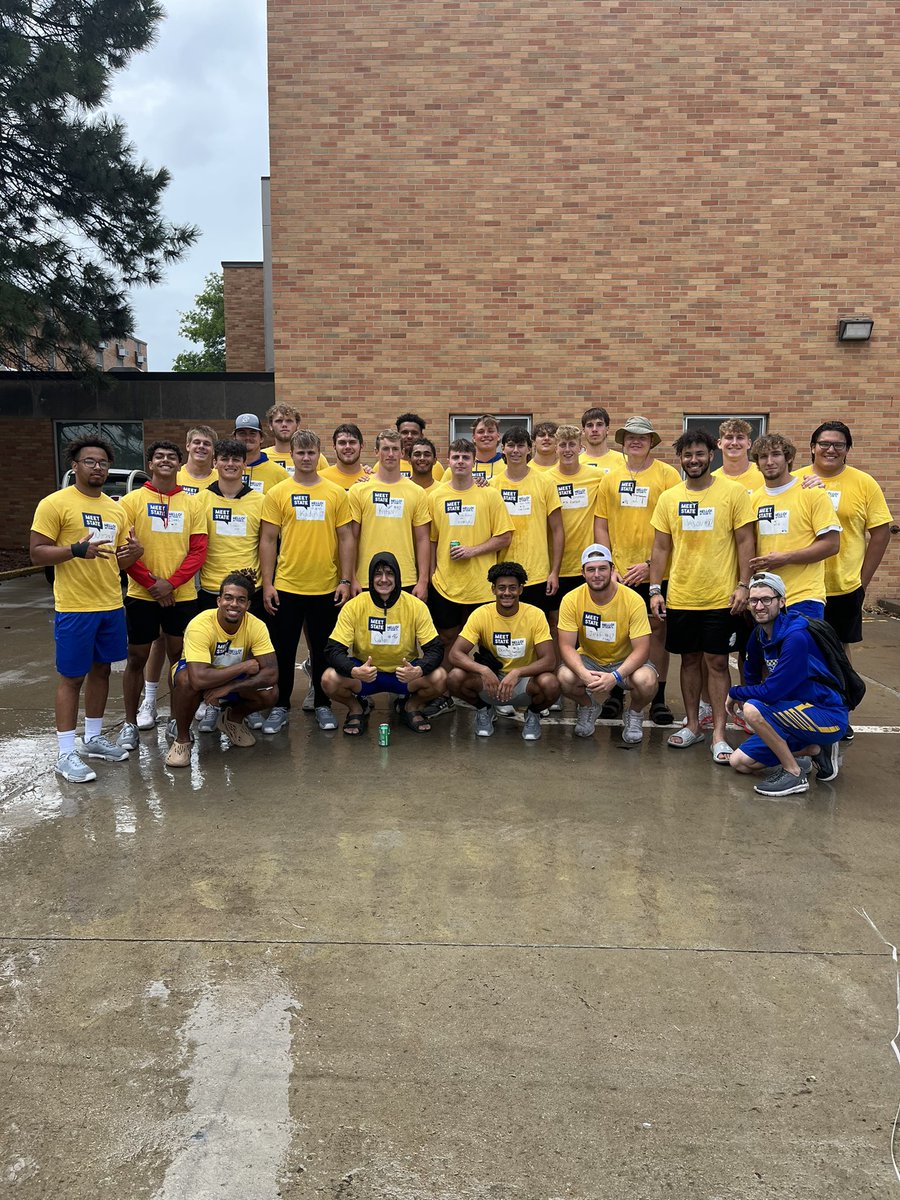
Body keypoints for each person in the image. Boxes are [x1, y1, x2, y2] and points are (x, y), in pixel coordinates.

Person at [30, 437, 143, 782]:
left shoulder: (116, 509)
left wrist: (133, 555)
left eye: (103, 463)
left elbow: (115, 562)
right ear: (74, 466)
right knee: (71, 677)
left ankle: (92, 738)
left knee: (102, 671)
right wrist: (75, 550)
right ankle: (65, 752)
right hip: (75, 607)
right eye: (89, 461)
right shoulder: (55, 503)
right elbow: (37, 552)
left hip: (110, 604)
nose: (97, 467)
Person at [648, 429, 755, 762]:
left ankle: (719, 734)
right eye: (687, 455)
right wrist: (655, 589)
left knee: (719, 662)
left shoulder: (734, 493)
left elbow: (745, 543)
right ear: (680, 459)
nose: (693, 460)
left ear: (712, 455)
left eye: (699, 454)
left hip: (721, 597)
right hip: (681, 595)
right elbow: (661, 547)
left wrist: (743, 585)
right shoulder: (669, 498)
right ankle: (693, 725)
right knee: (689, 660)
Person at [259, 429, 355, 732]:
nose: (305, 458)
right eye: (300, 453)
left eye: (311, 452)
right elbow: (268, 540)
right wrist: (268, 583)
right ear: (292, 456)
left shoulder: (335, 493)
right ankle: (281, 706)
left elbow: (346, 538)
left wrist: (345, 579)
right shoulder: (278, 493)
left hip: (326, 586)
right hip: (287, 586)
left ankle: (323, 704)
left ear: (318, 454)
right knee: (284, 649)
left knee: (323, 650)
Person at [116, 441, 208, 752]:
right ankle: (129, 723)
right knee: (136, 658)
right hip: (142, 594)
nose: (165, 461)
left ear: (179, 464)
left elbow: (198, 552)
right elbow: (124, 551)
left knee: (178, 659)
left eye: (171, 457)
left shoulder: (192, 503)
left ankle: (175, 718)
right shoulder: (130, 502)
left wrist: (170, 584)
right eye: (159, 457)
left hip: (181, 596)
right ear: (151, 464)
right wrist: (153, 584)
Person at [727, 572, 849, 796]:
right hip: (792, 712)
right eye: (754, 600)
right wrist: (744, 695)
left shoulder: (796, 637)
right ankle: (812, 749)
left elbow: (773, 692)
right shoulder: (759, 635)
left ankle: (793, 773)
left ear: (782, 601)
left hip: (825, 714)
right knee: (739, 762)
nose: (759, 606)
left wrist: (736, 692)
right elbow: (752, 673)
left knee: (753, 708)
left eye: (766, 599)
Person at [594, 416, 681, 725]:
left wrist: (649, 566)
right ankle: (617, 693)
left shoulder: (668, 475)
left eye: (642, 437)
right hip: (618, 573)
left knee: (657, 632)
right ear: (622, 440)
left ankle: (657, 697)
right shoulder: (610, 478)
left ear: (651, 441)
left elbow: (674, 528)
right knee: (621, 634)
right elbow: (601, 523)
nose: (636, 441)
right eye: (630, 436)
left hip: (656, 572)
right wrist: (610, 566)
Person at [425, 437, 514, 717]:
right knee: (447, 639)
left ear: (474, 461)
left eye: (466, 457)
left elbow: (504, 537)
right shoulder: (436, 496)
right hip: (446, 584)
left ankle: (499, 694)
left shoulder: (489, 495)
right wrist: (429, 576)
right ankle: (445, 694)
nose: (461, 461)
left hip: (481, 586)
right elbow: (431, 540)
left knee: (490, 644)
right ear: (448, 461)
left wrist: (473, 551)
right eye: (456, 457)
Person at [322, 552, 447, 734]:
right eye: (378, 574)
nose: (383, 579)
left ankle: (410, 707)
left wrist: (418, 670)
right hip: (366, 674)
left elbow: (435, 649)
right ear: (371, 578)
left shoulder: (416, 606)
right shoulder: (354, 606)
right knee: (329, 679)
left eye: (389, 573)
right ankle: (357, 709)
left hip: (403, 674)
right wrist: (354, 670)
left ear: (397, 577)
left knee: (441, 677)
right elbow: (333, 649)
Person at [794, 421, 892, 651]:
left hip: (843, 586)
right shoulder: (794, 481)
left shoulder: (864, 483)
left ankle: (841, 689)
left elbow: (881, 533)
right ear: (812, 447)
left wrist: (862, 582)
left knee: (838, 649)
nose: (831, 450)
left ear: (847, 449)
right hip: (800, 583)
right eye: (824, 444)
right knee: (796, 647)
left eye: (839, 445)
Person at [165, 571, 278, 767]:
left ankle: (232, 719)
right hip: (201, 672)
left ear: (248, 605)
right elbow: (199, 678)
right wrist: (244, 666)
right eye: (228, 598)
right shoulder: (200, 624)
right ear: (218, 601)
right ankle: (182, 739)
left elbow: (271, 673)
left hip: (230, 676)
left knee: (270, 693)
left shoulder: (256, 626)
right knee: (185, 681)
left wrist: (229, 688)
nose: (234, 604)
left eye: (241, 600)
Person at [447, 561, 559, 741]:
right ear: (493, 589)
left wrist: (517, 672)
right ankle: (484, 709)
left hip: (523, 682)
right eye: (502, 588)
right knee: (454, 677)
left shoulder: (535, 614)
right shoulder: (481, 614)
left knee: (551, 683)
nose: (507, 593)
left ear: (521, 589)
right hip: (491, 681)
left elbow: (549, 660)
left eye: (512, 588)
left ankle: (533, 714)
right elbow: (455, 654)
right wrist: (483, 670)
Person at [556, 544, 656, 741]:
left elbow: (642, 649)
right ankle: (589, 706)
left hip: (625, 661)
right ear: (582, 573)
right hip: (590, 660)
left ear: (612, 570)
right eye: (591, 569)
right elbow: (566, 646)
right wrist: (584, 675)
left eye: (602, 568)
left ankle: (634, 713)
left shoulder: (633, 600)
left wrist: (615, 677)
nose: (597, 574)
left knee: (647, 680)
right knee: (564, 677)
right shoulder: (571, 599)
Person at [748, 432, 841, 619]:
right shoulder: (753, 500)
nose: (769, 461)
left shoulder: (812, 492)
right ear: (757, 463)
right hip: (765, 600)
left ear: (788, 457)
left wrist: (786, 558)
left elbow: (832, 545)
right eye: (763, 456)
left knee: (800, 648)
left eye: (776, 454)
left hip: (804, 596)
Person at [348, 429, 431, 598]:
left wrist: (423, 581)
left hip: (406, 577)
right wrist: (351, 578)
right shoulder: (358, 490)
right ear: (376, 452)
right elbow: (351, 538)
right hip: (366, 578)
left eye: (395, 449)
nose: (390, 454)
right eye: (385, 449)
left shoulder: (416, 492)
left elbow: (423, 539)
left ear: (402, 453)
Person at [490, 427, 564, 613]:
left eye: (521, 446)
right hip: (501, 573)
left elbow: (557, 530)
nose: (516, 450)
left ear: (529, 449)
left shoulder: (545, 482)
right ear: (503, 449)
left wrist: (554, 572)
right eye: (511, 445)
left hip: (537, 573)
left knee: (540, 628)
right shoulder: (492, 486)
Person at [546, 423, 605, 621]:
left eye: (572, 445)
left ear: (581, 448)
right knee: (556, 621)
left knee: (587, 619)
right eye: (563, 445)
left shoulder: (597, 477)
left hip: (587, 562)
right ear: (556, 448)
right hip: (556, 564)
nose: (567, 450)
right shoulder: (545, 480)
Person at [233, 413, 290, 494]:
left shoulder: (279, 473)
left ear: (261, 438)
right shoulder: (224, 470)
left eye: (252, 433)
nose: (247, 438)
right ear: (234, 437)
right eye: (242, 433)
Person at [263, 403, 328, 474]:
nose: (284, 425)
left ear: (297, 425)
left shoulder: (315, 458)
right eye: (279, 421)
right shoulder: (262, 457)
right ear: (270, 425)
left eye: (289, 421)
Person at [440, 414, 505, 483]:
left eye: (490, 431)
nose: (486, 435)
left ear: (498, 436)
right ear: (474, 438)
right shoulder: (457, 466)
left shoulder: (509, 465)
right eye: (481, 432)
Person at [712, 419, 763, 493]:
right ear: (719, 443)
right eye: (729, 437)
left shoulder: (763, 473)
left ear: (749, 443)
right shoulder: (712, 480)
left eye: (740, 438)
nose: (734, 443)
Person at [319, 423, 370, 488]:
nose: (347, 447)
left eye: (352, 442)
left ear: (361, 446)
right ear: (334, 447)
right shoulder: (321, 478)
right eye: (342, 443)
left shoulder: (371, 479)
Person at [396, 412, 444, 480]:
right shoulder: (385, 465)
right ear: (398, 435)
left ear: (421, 436)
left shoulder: (436, 466)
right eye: (405, 432)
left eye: (414, 433)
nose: (409, 436)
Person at [176, 425, 219, 495]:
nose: (201, 446)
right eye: (197, 442)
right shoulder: (174, 476)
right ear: (188, 446)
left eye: (206, 444)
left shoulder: (220, 479)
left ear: (214, 450)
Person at [579, 406, 619, 474]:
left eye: (599, 424)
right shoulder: (576, 463)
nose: (594, 429)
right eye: (590, 425)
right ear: (583, 431)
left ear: (607, 429)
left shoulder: (624, 461)